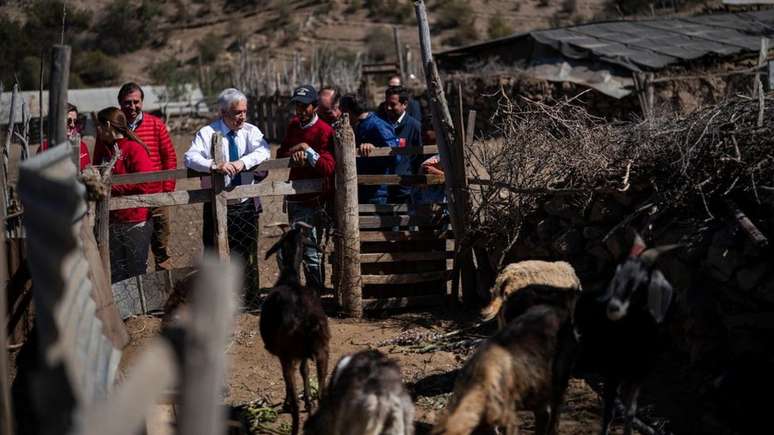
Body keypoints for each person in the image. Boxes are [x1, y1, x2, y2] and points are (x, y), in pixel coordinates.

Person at [184, 88, 270, 288]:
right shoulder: (208, 133)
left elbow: (264, 150)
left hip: (244, 204)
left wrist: (243, 162)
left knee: (246, 254)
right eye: (237, 113)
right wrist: (214, 166)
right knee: (214, 254)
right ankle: (217, 299)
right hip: (216, 204)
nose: (242, 117)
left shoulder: (250, 131)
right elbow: (190, 157)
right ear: (223, 113)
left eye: (244, 111)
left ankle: (249, 299)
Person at [112, 82, 177, 270]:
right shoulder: (114, 128)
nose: (132, 107)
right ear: (120, 103)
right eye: (127, 102)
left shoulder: (156, 125)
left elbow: (169, 157)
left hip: (157, 195)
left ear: (142, 102)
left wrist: (167, 190)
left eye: (136, 102)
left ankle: (164, 292)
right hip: (127, 197)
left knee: (161, 248)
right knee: (130, 250)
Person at [277, 85, 336, 290]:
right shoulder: (293, 126)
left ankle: (315, 292)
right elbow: (281, 153)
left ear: (315, 107)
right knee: (293, 248)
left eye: (304, 106)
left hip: (314, 200)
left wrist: (308, 150)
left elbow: (328, 167)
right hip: (294, 197)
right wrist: (296, 149)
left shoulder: (326, 131)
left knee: (311, 249)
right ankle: (296, 290)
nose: (300, 111)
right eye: (297, 106)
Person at [93, 107, 160, 283]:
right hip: (112, 219)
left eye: (99, 127)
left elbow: (143, 182)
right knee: (116, 270)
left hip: (134, 219)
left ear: (107, 125)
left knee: (136, 269)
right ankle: (122, 309)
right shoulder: (106, 151)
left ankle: (140, 309)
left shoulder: (133, 149)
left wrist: (109, 188)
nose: (97, 131)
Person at [339, 94, 400, 205]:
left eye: (342, 110)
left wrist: (374, 151)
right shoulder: (354, 126)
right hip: (359, 189)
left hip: (376, 193)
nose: (340, 114)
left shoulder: (377, 125)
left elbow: (395, 156)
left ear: (348, 111)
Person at [384, 85, 421, 204]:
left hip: (406, 189)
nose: (388, 108)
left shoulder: (414, 127)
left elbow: (419, 158)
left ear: (404, 104)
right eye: (386, 104)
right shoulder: (381, 125)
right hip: (384, 187)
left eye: (393, 104)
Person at [37, 102, 90, 170]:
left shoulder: (82, 146)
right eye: (68, 121)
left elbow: (88, 173)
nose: (72, 125)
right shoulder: (45, 147)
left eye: (75, 121)